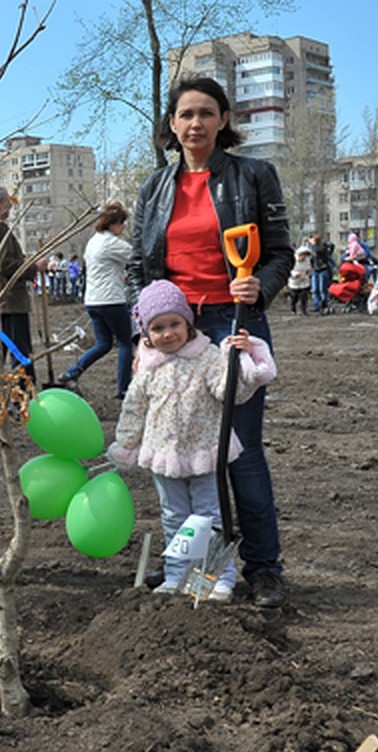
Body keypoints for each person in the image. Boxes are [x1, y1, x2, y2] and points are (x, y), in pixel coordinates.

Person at [127, 75, 292, 608]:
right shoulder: (154, 189)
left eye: (205, 113)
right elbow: (138, 267)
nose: (195, 123)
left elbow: (280, 254)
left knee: (238, 453)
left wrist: (259, 286)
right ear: (171, 126)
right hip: (171, 332)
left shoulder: (254, 176)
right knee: (181, 456)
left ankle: (263, 569)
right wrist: (142, 334)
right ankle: (198, 568)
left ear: (223, 120)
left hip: (232, 323)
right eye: (185, 115)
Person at [109, 281, 276, 600]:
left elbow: (231, 394)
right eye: (158, 328)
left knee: (209, 516)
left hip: (204, 453)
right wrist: (126, 444)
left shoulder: (208, 357)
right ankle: (177, 573)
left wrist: (241, 363)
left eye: (174, 324)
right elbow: (134, 407)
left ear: (188, 322)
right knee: (174, 517)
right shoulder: (148, 365)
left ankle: (215, 576)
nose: (168, 333)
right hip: (163, 455)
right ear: (146, 333)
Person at [58, 202, 134, 398]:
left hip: (92, 301)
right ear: (112, 224)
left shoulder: (93, 241)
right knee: (125, 343)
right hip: (111, 300)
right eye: (121, 223)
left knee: (103, 344)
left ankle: (71, 373)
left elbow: (106, 268)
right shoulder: (112, 242)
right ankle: (124, 387)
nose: (123, 227)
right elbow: (136, 256)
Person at [0, 184, 35, 417]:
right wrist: (33, 266)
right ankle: (22, 400)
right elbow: (4, 265)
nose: (10, 210)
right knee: (19, 352)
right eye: (8, 205)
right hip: (9, 304)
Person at [308, 233, 334, 314]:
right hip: (315, 270)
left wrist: (313, 244)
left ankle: (324, 304)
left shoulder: (322, 248)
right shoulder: (313, 248)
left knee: (322, 289)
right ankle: (316, 305)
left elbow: (318, 251)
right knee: (315, 289)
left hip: (323, 269)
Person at [288, 246, 312, 316]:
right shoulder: (293, 259)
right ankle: (293, 309)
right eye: (303, 255)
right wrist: (295, 274)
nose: (304, 257)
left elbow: (309, 267)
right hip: (294, 282)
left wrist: (309, 271)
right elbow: (289, 270)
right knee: (294, 297)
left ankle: (304, 310)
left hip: (304, 281)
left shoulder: (307, 260)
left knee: (304, 296)